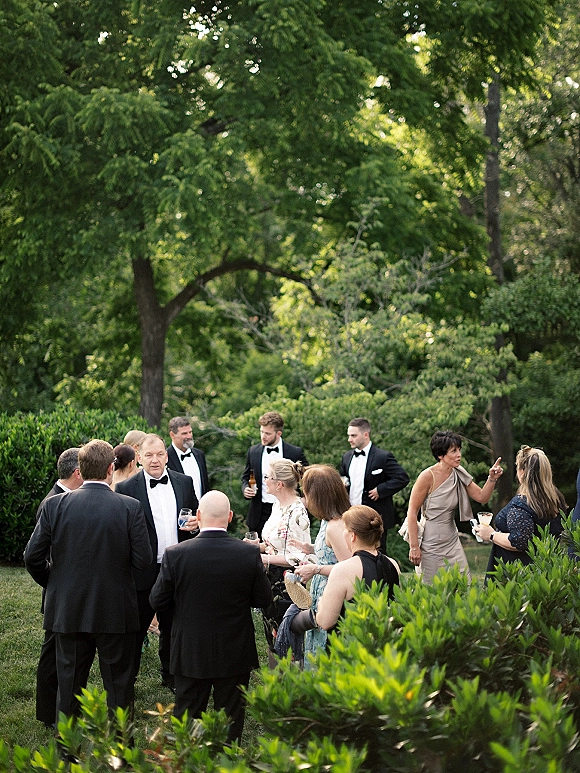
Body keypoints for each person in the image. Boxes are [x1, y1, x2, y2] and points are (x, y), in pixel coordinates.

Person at [24, 440, 152, 727]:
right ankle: (121, 756)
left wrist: (57, 583)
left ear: (80, 470)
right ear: (110, 468)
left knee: (67, 687)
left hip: (69, 608)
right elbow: (143, 560)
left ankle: (67, 755)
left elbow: (32, 557)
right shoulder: (130, 507)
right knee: (119, 688)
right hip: (116, 609)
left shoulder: (55, 506)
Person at [149, 491, 272, 744]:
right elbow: (263, 600)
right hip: (234, 650)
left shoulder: (175, 554)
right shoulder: (248, 554)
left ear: (198, 516)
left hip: (190, 649)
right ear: (229, 517)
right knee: (230, 720)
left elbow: (156, 600)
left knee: (188, 721)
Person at [115, 433, 198, 689]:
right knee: (135, 629)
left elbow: (196, 517)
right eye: (149, 455)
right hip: (143, 569)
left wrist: (196, 526)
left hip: (176, 568)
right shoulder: (126, 488)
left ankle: (171, 676)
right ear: (138, 458)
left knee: (173, 626)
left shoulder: (184, 482)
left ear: (166, 455)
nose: (155, 460)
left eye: (160, 454)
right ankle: (127, 680)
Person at [287, 505, 400, 646]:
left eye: (345, 530)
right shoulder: (393, 564)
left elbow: (325, 622)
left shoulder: (343, 570)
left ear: (352, 536)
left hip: (350, 651)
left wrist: (322, 603)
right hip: (385, 647)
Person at [406, 430, 504, 583]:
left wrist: (492, 478)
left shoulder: (458, 472)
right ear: (441, 455)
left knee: (464, 585)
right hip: (429, 541)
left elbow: (482, 497)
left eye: (459, 450)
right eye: (453, 451)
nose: (459, 454)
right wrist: (414, 547)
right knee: (431, 591)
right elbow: (412, 512)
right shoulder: (427, 476)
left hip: (452, 539)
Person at [34, 448, 83, 728]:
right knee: (52, 654)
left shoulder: (66, 498)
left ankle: (50, 711)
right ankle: (48, 712)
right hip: (59, 593)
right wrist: (51, 581)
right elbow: (37, 556)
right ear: (78, 473)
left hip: (65, 593)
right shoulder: (51, 503)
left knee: (54, 651)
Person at [291, 465, 351, 663]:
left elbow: (349, 569)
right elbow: (330, 551)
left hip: (332, 596)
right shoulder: (329, 521)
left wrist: (315, 569)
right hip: (322, 595)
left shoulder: (336, 526)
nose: (305, 500)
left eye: (306, 494)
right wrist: (309, 548)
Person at [249, 458, 311, 653]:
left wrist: (265, 559)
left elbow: (298, 557)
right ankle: (276, 679)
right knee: (271, 633)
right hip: (270, 578)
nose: (263, 480)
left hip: (287, 584)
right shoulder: (277, 506)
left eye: (267, 477)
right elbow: (276, 544)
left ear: (279, 484)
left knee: (286, 638)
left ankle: (290, 679)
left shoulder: (298, 511)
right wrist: (257, 546)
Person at [475, 445, 566, 575]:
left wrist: (491, 534)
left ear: (522, 472)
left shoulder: (521, 504)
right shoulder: (556, 499)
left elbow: (519, 542)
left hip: (517, 574)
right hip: (547, 569)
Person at [340, 418, 409, 552]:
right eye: (349, 435)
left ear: (366, 434)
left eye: (353, 435)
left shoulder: (383, 457)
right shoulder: (347, 457)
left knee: (378, 553)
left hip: (375, 517)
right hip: (351, 515)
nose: (349, 439)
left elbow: (402, 477)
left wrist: (380, 490)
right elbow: (343, 477)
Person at [242, 411, 309, 539]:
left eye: (267, 433)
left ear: (279, 433)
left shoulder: (295, 452)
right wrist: (245, 488)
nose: (263, 436)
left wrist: (304, 499)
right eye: (262, 432)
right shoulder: (253, 451)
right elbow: (246, 477)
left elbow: (307, 478)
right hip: (259, 511)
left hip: (287, 510)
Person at [166, 416, 210, 503]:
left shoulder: (199, 455)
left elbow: (205, 485)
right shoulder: (166, 458)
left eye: (190, 432)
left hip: (202, 510)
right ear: (172, 435)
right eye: (184, 433)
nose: (189, 436)